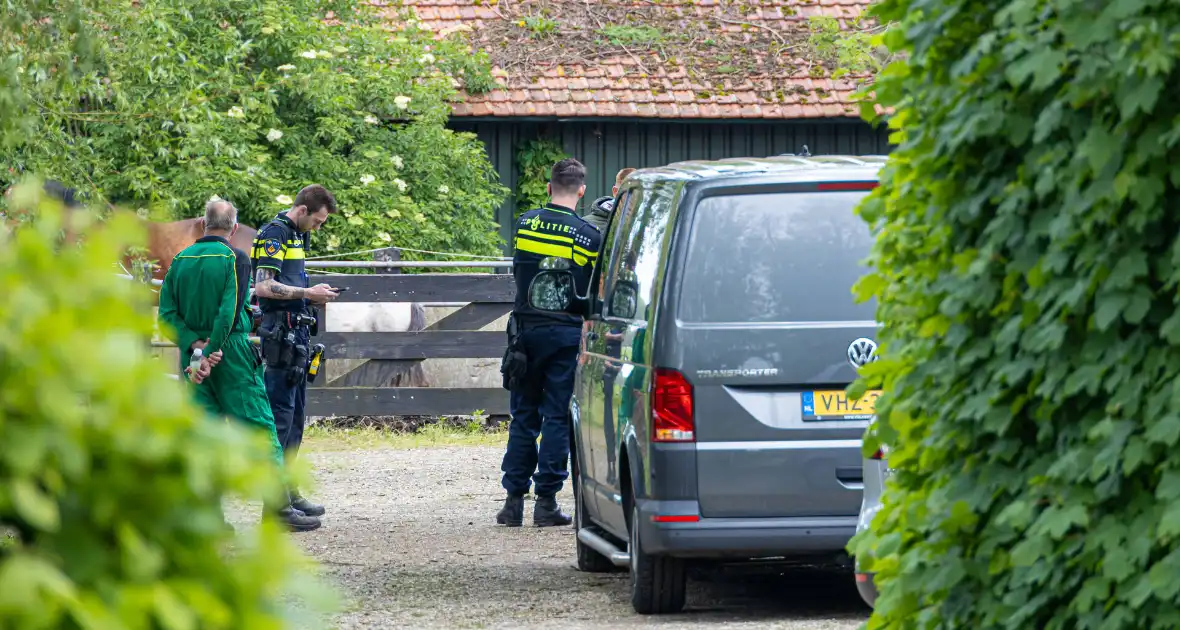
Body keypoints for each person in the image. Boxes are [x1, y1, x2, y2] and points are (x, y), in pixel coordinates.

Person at [157, 198, 321, 532]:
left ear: (203, 224)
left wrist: (196, 348)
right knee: (261, 428)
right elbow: (229, 311)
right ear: (234, 228)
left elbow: (166, 316)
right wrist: (213, 349)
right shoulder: (235, 258)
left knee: (204, 434)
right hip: (229, 351)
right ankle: (277, 509)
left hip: (193, 358)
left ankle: (209, 518)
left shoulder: (179, 261)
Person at [497, 158, 603, 527]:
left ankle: (512, 503)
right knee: (556, 416)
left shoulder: (525, 223)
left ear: (548, 187)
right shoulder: (588, 235)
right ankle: (546, 503)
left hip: (524, 334)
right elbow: (589, 283)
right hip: (565, 334)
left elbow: (522, 269)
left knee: (523, 416)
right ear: (582, 191)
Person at [251, 184, 340, 519]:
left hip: (297, 336)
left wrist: (313, 296)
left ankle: (288, 492)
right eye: (317, 221)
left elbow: (290, 283)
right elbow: (263, 286)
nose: (317, 228)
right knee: (280, 419)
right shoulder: (275, 234)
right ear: (303, 210)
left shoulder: (297, 235)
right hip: (280, 337)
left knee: (296, 419)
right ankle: (274, 505)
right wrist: (307, 292)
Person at [584, 167, 635, 232]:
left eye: (639, 192)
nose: (634, 197)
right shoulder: (587, 225)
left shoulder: (644, 222)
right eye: (629, 192)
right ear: (615, 192)